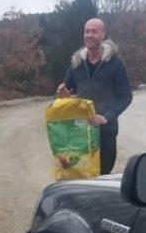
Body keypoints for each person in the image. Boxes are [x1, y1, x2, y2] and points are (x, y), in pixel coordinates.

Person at [56, 18, 133, 174]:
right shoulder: (76, 63)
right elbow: (66, 91)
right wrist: (62, 94)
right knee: (80, 173)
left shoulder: (115, 63)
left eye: (94, 31)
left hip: (106, 130)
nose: (89, 35)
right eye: (87, 31)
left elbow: (126, 96)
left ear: (103, 34)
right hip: (81, 131)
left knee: (103, 173)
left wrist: (108, 116)